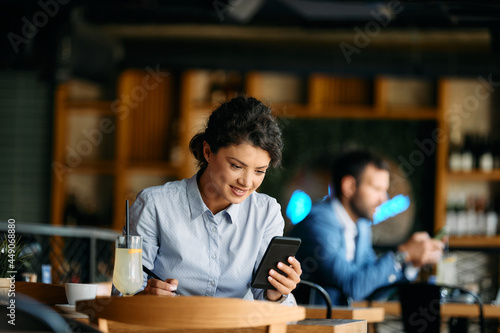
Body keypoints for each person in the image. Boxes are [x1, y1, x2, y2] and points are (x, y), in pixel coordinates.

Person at [128, 96, 301, 304]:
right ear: (208, 151)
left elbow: (273, 309)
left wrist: (277, 293)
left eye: (259, 171)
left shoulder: (266, 213)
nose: (247, 182)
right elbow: (123, 294)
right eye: (236, 166)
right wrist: (144, 297)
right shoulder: (154, 205)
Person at [289, 150, 443, 305]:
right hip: (308, 324)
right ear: (349, 186)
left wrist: (410, 264)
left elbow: (371, 286)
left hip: (340, 323)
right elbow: (352, 287)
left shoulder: (361, 227)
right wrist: (403, 255)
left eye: (385, 191)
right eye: (377, 189)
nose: (384, 199)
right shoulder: (319, 222)